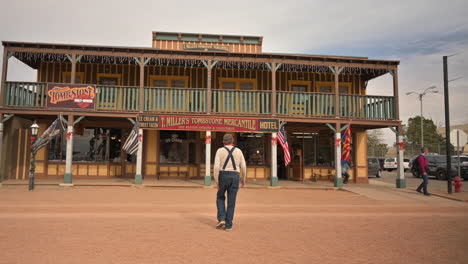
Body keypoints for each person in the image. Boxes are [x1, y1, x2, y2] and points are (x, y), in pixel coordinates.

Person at [213, 134, 247, 231]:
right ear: (233, 141)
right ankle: (228, 225)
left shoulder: (220, 151)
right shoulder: (238, 151)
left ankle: (221, 218)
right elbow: (243, 166)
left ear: (223, 142)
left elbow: (216, 167)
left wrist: (216, 180)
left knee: (220, 197)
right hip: (235, 175)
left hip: (223, 175)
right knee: (231, 201)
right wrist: (243, 179)